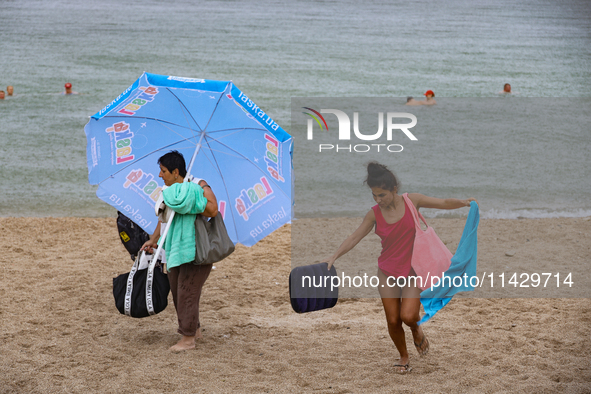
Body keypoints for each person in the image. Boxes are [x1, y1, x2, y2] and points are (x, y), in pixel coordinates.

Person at [324, 162, 476, 374]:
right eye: (374, 195)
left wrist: (463, 202)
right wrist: (334, 256)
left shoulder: (412, 201)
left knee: (408, 316)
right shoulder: (374, 214)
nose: (378, 200)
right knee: (393, 319)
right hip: (387, 272)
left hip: (413, 271)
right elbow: (355, 236)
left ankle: (416, 329)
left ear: (394, 189)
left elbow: (442, 202)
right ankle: (404, 356)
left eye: (382, 195)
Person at [141, 150, 219, 351]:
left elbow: (213, 210)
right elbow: (165, 218)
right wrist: (153, 239)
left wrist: (186, 202)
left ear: (176, 172)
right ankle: (195, 329)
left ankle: (188, 339)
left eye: (163, 171)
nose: (160, 175)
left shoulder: (197, 185)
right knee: (177, 291)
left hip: (194, 248)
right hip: (173, 248)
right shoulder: (169, 192)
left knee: (187, 291)